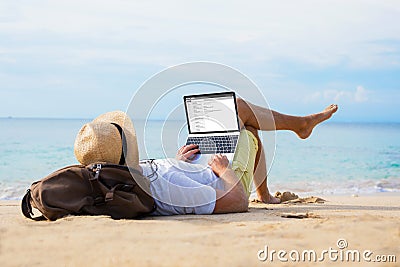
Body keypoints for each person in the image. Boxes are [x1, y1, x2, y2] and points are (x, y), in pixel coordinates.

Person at [74, 97, 338, 215]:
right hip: (224, 181)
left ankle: (266, 192)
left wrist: (177, 161)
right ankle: (301, 125)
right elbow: (235, 203)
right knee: (244, 120)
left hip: (196, 166)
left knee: (244, 123)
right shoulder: (162, 189)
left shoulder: (129, 177)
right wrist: (224, 171)